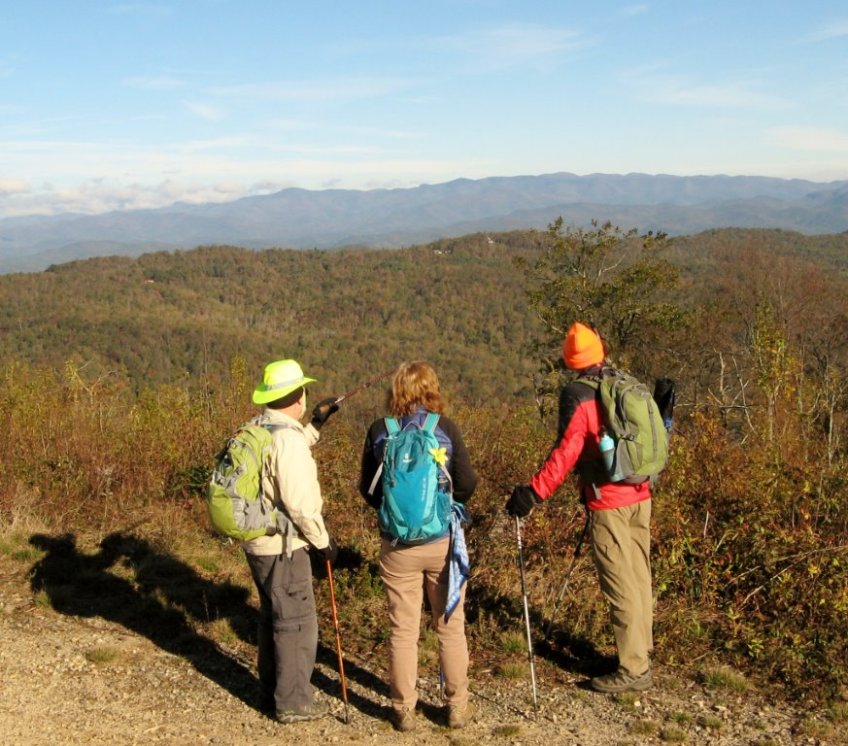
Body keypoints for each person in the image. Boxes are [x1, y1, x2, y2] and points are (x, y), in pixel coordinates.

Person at [506, 322, 654, 694]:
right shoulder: (623, 382)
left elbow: (567, 451)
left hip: (609, 500)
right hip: (641, 494)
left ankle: (634, 669)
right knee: (639, 577)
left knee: (620, 583)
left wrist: (533, 493)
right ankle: (641, 652)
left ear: (569, 360)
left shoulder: (579, 394)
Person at [359, 361, 478, 731]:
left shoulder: (381, 431)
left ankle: (403, 709)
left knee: (403, 630)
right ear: (432, 390)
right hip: (441, 542)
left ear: (396, 391)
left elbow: (368, 489)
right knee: (450, 625)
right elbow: (467, 483)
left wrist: (395, 514)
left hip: (397, 547)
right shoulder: (445, 429)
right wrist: (444, 504)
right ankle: (457, 707)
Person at [245, 358, 340, 723]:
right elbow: (301, 505)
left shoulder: (258, 427)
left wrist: (316, 424)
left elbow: (284, 452)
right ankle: (293, 702)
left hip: (258, 541)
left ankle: (270, 692)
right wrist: (323, 543)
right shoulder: (287, 440)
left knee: (273, 616)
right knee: (296, 623)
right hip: (283, 546)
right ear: (298, 395)